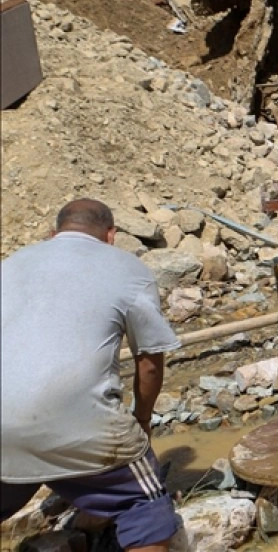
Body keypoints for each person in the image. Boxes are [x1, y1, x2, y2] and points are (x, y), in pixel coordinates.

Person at [1, 199, 181, 552]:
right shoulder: (130, 270)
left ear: (54, 234)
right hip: (79, 425)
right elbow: (148, 363)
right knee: (146, 508)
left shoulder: (9, 266)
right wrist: (141, 421)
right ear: (111, 235)